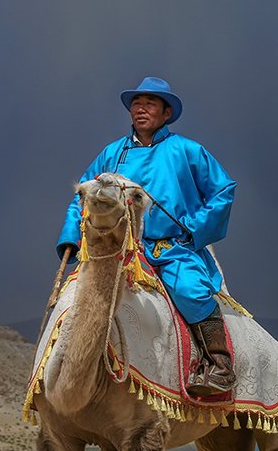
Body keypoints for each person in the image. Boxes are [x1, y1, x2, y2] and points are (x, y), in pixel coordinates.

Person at [56, 76, 238, 397]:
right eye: (136, 104)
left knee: (191, 290)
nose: (141, 109)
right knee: (78, 296)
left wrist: (193, 228)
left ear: (166, 113)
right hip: (120, 249)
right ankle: (60, 369)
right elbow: (82, 193)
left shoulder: (187, 150)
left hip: (171, 248)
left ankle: (219, 366)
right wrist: (72, 236)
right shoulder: (112, 154)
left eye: (150, 103)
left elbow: (224, 190)